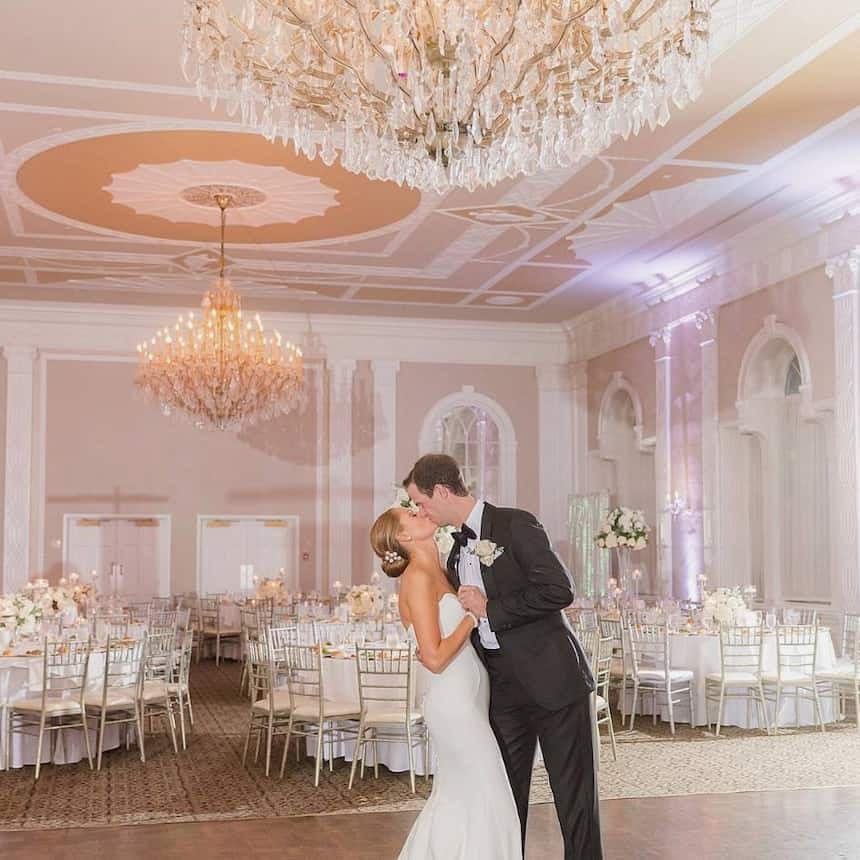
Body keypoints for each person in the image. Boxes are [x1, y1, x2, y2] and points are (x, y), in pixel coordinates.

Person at [404, 453, 602, 860]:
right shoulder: (455, 554)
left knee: (574, 799)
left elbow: (559, 590)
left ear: (441, 491)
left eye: (421, 502)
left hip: (554, 682)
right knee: (505, 800)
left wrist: (491, 607)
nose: (420, 510)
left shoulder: (515, 523)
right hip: (503, 691)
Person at [370, 504, 522, 860]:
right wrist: (471, 617)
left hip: (468, 700)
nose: (418, 511)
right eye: (409, 514)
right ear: (404, 537)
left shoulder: (438, 569)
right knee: (488, 797)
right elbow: (435, 658)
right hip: (453, 705)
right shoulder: (418, 577)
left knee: (465, 799)